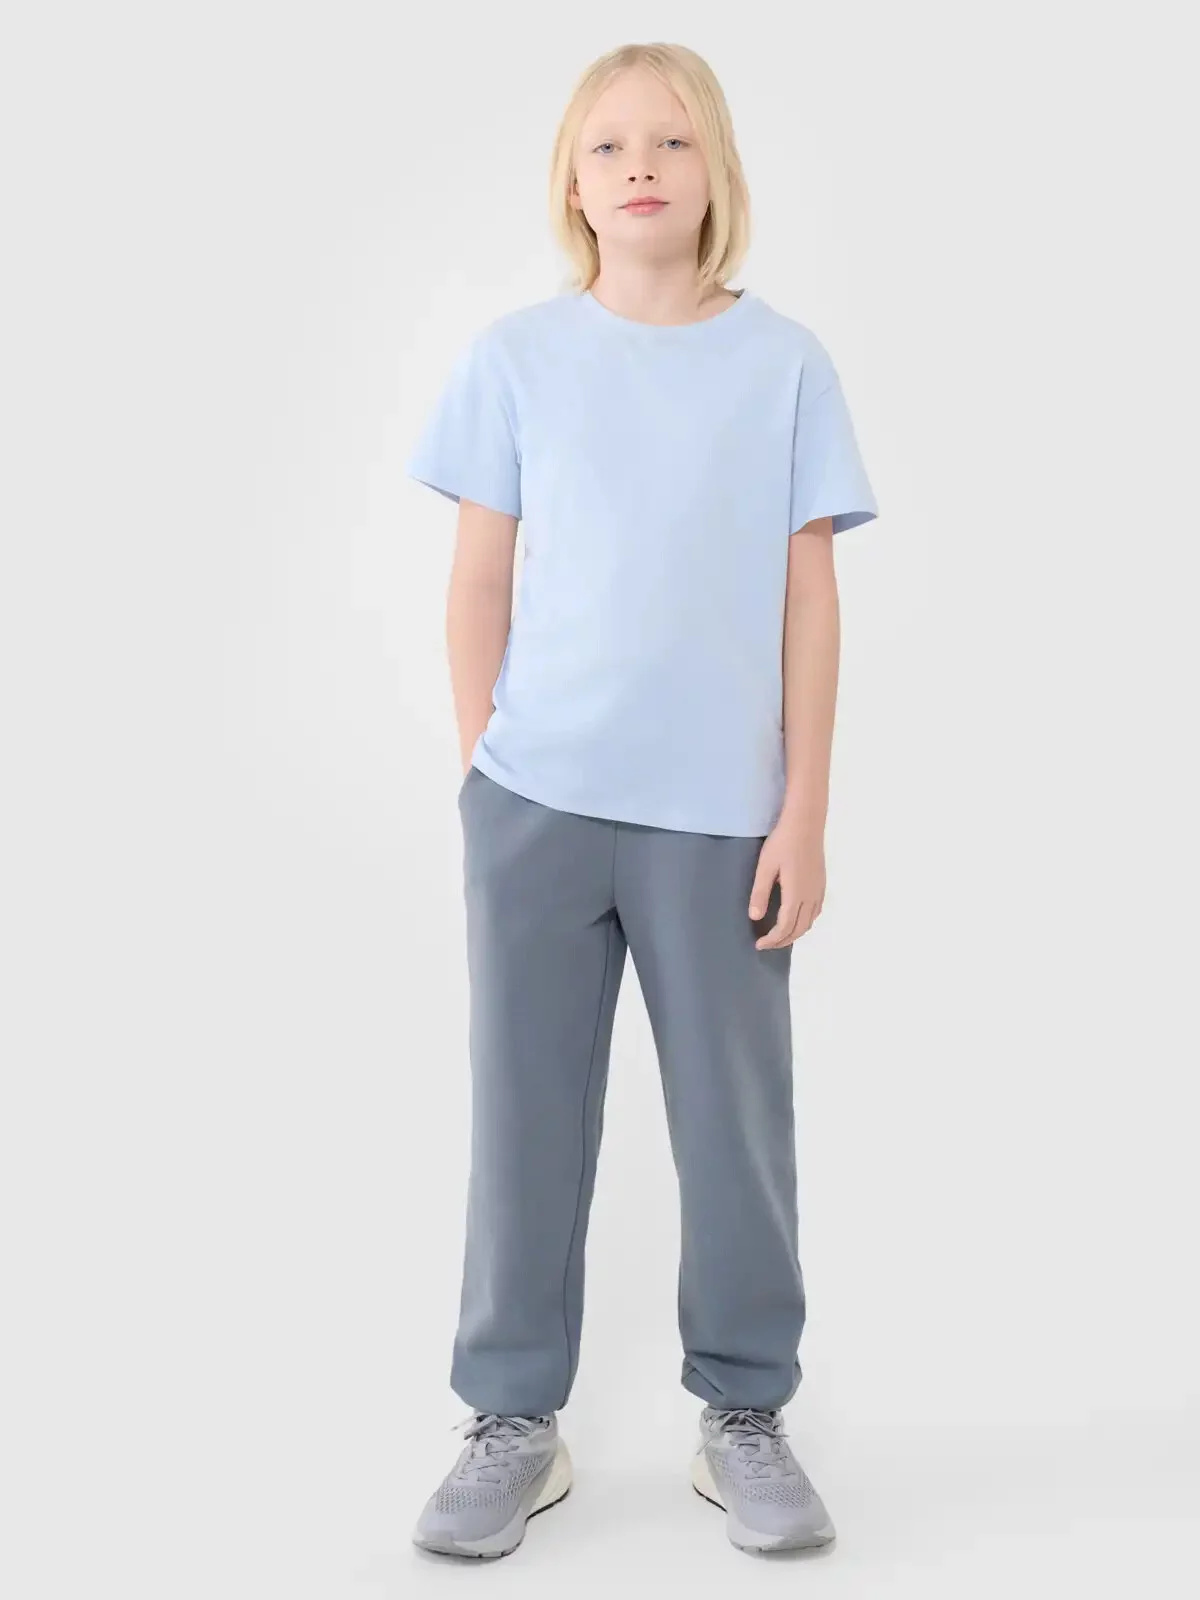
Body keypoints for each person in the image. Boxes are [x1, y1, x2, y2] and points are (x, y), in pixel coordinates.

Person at [403, 40, 879, 1560]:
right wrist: (485, 769)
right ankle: (511, 1420)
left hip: (723, 819)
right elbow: (479, 580)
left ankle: (744, 1410)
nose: (640, 167)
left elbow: (810, 603)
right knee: (524, 1116)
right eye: (608, 146)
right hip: (537, 804)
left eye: (671, 141)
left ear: (715, 169)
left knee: (736, 1123)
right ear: (572, 181)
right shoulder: (517, 360)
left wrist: (804, 810)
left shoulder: (784, 364)